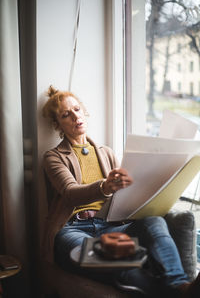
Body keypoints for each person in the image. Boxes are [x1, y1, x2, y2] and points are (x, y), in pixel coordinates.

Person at [42, 85, 200, 298]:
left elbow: (125, 193)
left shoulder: (106, 152)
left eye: (77, 109)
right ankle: (178, 293)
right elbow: (70, 192)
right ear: (57, 124)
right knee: (121, 264)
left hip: (110, 226)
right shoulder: (53, 157)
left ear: (84, 111)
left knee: (154, 222)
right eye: (65, 115)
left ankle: (181, 285)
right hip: (73, 230)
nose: (74, 116)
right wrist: (105, 187)